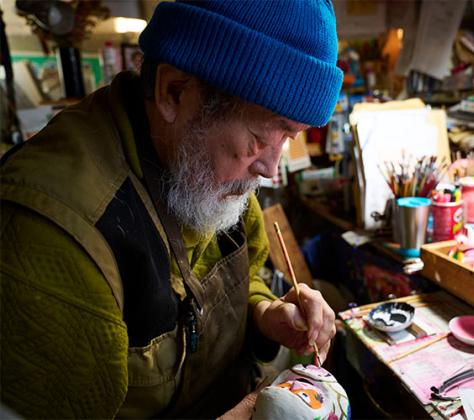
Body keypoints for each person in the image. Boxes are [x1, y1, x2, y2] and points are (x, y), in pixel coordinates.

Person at [0, 0, 343, 418]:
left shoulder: (204, 165)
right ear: (174, 92)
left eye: (288, 138)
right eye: (258, 138)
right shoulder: (56, 237)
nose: (271, 169)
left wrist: (265, 312)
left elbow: (242, 277)